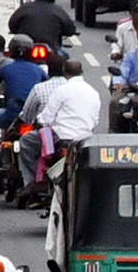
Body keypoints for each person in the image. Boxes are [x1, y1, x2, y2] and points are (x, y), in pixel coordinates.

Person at [18, 59, 99, 194]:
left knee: (26, 142)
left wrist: (41, 121)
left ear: (65, 72)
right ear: (82, 72)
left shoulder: (62, 90)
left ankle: (34, 183)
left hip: (60, 137)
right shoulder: (93, 92)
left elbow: (46, 118)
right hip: (85, 139)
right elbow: (95, 121)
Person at [0, 33, 47, 136]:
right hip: (34, 119)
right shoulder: (40, 71)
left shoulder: (5, 69)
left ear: (11, 50)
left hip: (11, 116)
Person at [7, 0, 76, 50]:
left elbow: (12, 24)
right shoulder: (58, 10)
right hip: (51, 47)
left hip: (27, 49)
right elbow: (69, 29)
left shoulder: (25, 8)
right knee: (64, 56)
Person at [18, 53, 68, 128]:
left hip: (44, 133)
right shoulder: (75, 89)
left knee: (25, 139)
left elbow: (27, 117)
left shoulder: (39, 88)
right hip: (70, 133)